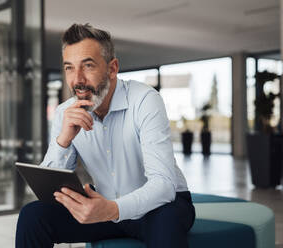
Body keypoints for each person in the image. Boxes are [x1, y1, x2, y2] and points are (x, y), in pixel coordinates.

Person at [16, 23, 195, 248]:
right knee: (33, 216)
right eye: (69, 68)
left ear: (112, 68)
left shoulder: (145, 100)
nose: (77, 79)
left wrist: (113, 209)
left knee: (167, 222)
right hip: (105, 205)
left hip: (159, 206)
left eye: (87, 66)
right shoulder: (66, 112)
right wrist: (63, 141)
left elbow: (164, 184)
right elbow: (49, 192)